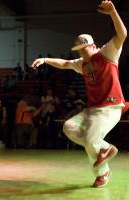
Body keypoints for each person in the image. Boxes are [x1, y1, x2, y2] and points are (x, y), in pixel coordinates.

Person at [31, 1, 128, 188]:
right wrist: (44, 59)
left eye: (84, 50)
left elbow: (122, 34)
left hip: (110, 108)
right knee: (69, 127)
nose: (82, 54)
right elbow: (64, 63)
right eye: (79, 51)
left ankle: (103, 162)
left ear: (93, 46)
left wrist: (113, 12)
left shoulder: (107, 54)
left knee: (91, 140)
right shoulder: (81, 63)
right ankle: (103, 154)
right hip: (92, 111)